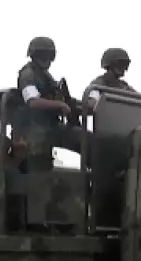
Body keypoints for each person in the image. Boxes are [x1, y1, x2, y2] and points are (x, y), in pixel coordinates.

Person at [16, 36, 91, 172]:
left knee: (87, 139)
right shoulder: (28, 74)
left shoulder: (45, 75)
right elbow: (33, 102)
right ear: (34, 55)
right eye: (43, 55)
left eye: (50, 55)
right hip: (33, 128)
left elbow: (61, 96)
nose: (47, 59)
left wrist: (85, 106)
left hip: (50, 126)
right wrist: (60, 105)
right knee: (40, 170)